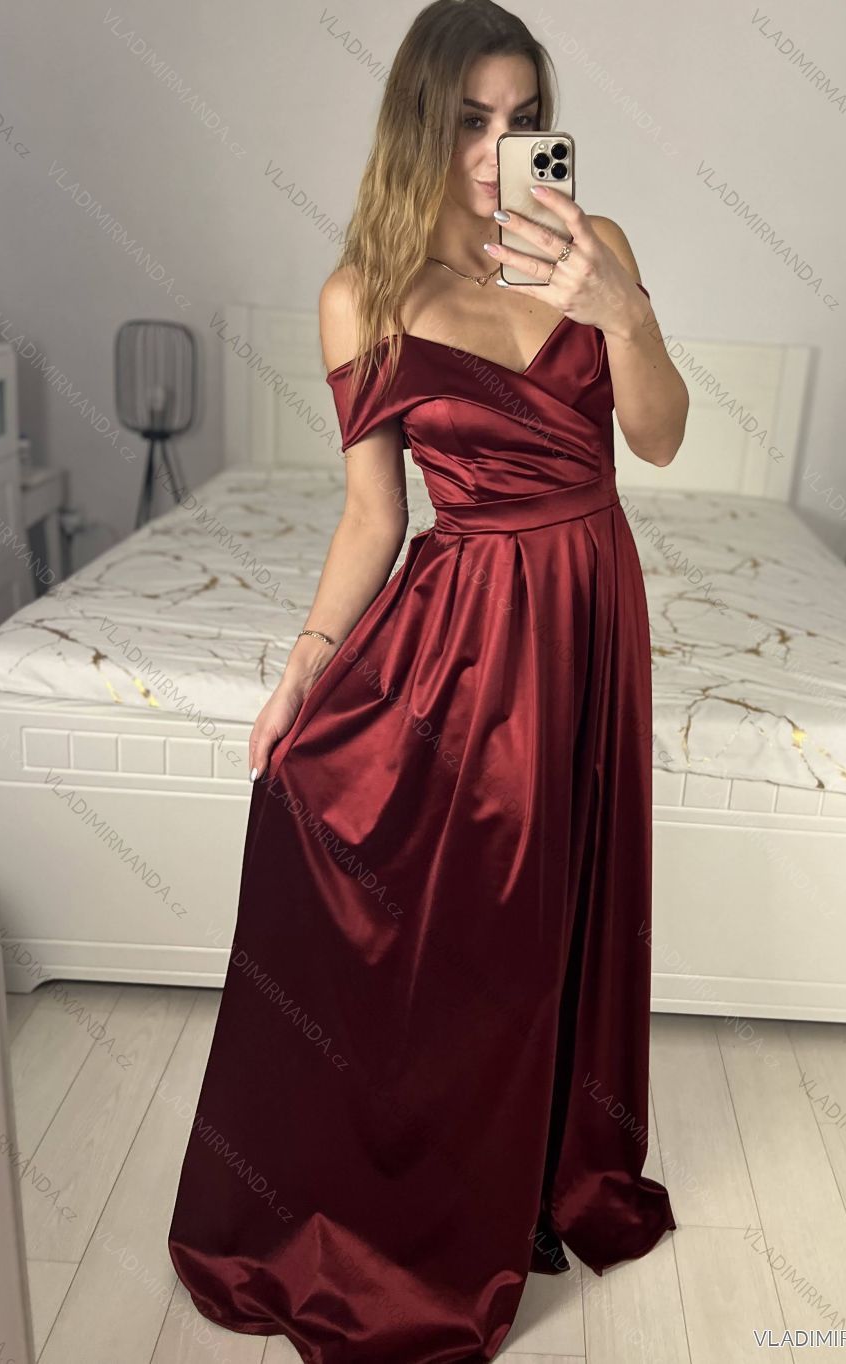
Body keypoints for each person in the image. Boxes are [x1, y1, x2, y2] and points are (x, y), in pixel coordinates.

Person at [167, 2, 689, 1360]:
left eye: (523, 119)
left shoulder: (596, 249)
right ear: (420, 121)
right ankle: (428, 1182)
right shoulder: (365, 295)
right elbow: (372, 515)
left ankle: (546, 1166)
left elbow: (660, 438)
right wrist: (301, 672)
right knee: (443, 894)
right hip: (470, 627)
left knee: (569, 888)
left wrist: (623, 313)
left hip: (593, 602)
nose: (496, 146)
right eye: (470, 119)